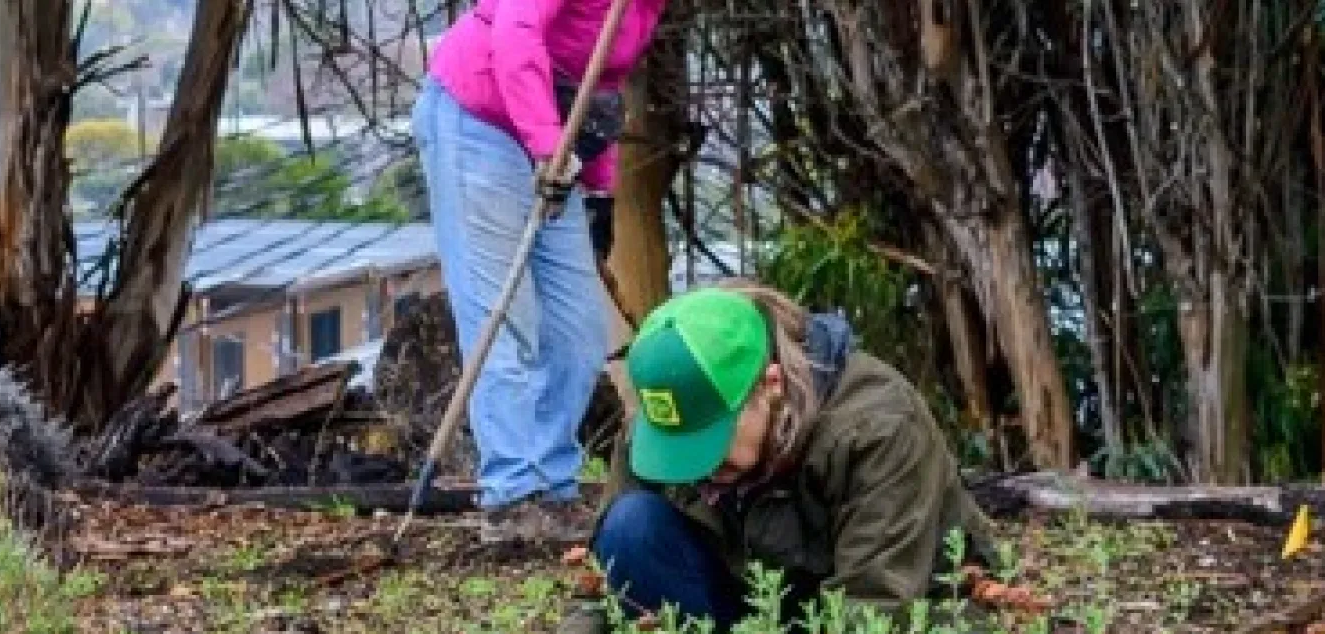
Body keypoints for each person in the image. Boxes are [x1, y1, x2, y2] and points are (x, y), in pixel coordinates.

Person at [556, 280, 1003, 632]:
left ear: (771, 386)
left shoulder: (877, 429)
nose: (699, 468)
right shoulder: (658, 430)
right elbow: (600, 585)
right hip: (751, 601)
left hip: (895, 605)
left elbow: (876, 608)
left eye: (712, 442)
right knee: (632, 526)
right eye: (681, 448)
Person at [409, 0, 672, 544]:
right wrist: (548, 148)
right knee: (505, 322)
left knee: (578, 333)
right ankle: (511, 497)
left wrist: (600, 187)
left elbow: (600, 83)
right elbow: (515, 33)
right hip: (479, 122)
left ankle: (555, 487)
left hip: (552, 138)